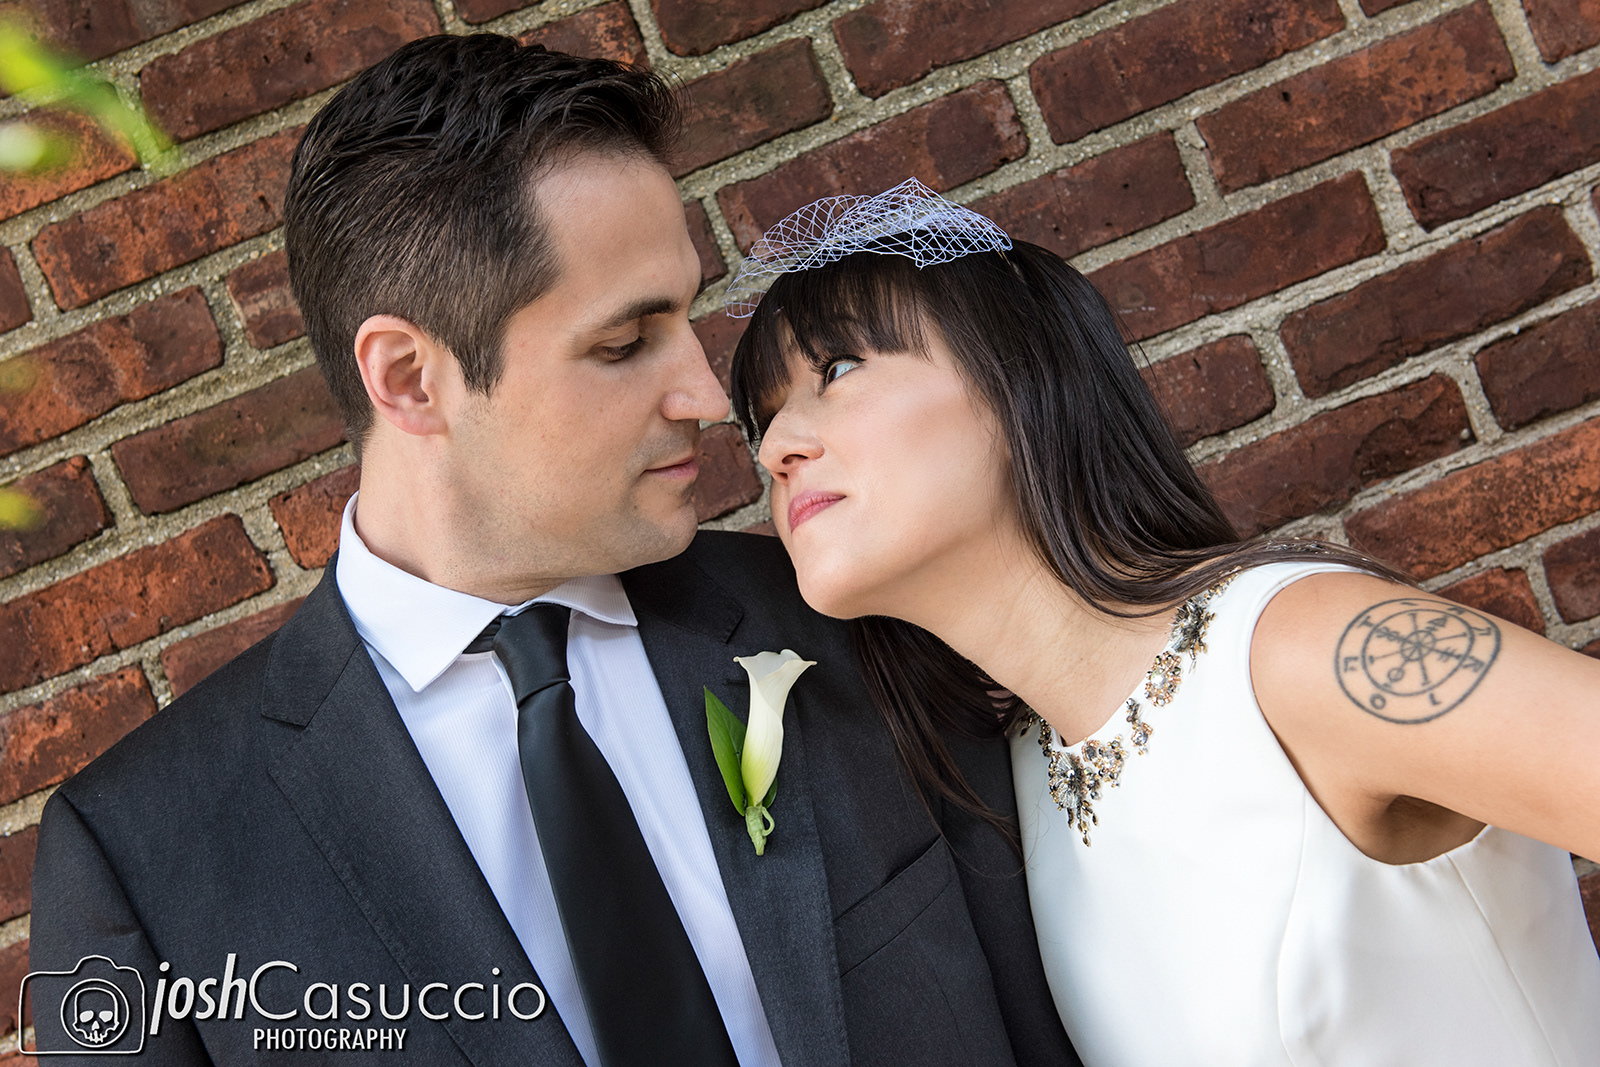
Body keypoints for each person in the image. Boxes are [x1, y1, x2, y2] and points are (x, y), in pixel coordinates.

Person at [26, 40, 1083, 1066]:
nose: (705, 393)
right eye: (624, 344)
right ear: (410, 379)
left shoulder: (850, 624)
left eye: (685, 319)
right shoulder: (143, 859)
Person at [729, 179, 1600, 1066]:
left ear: (1020, 373)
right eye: (764, 418)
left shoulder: (1301, 650)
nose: (775, 447)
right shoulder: (1024, 773)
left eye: (837, 370)